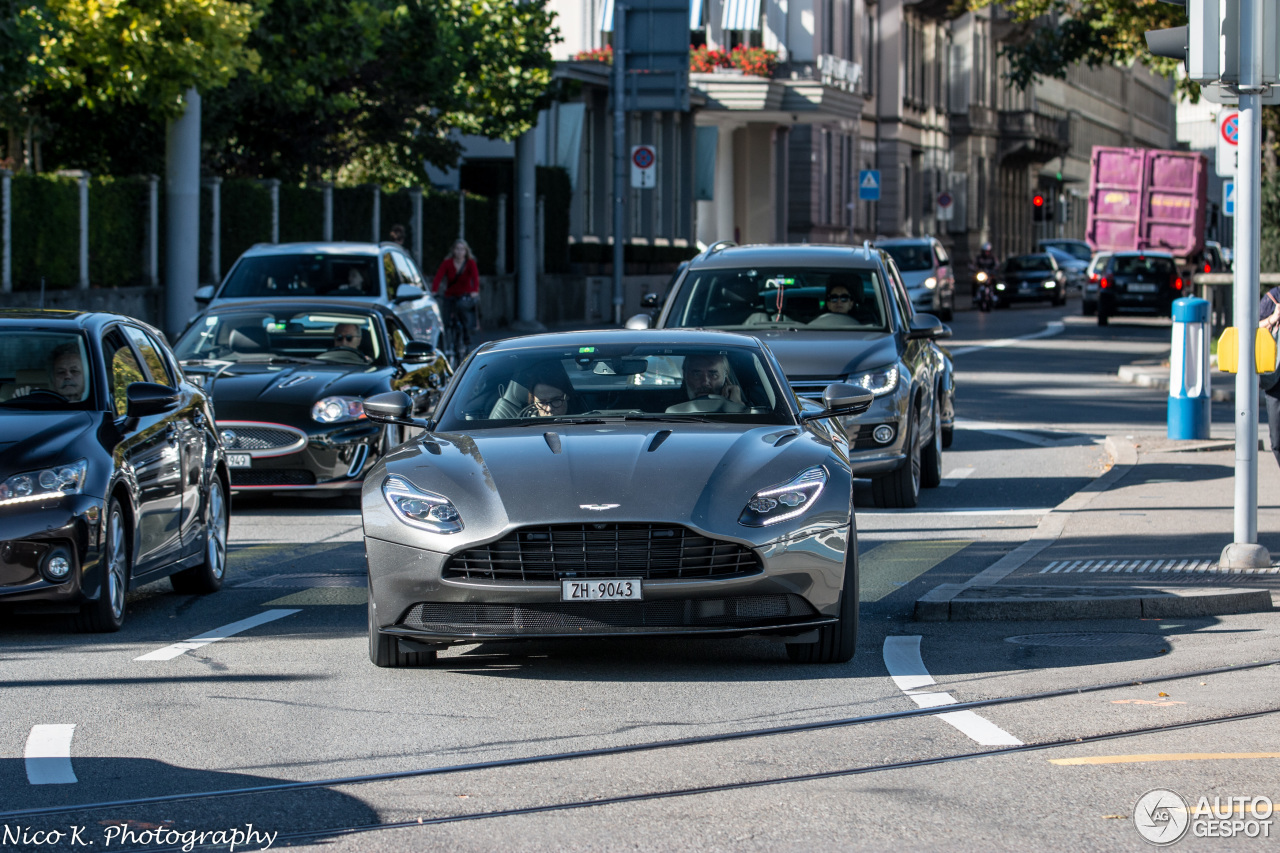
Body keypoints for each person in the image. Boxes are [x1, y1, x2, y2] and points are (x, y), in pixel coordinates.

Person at [431, 239, 481, 356]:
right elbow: (438, 277)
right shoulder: (447, 263)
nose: (459, 252)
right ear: (453, 250)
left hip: (464, 296)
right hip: (450, 295)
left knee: (462, 310)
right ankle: (448, 342)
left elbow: (475, 278)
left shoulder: (470, 263)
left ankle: (465, 334)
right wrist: (434, 290)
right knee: (446, 320)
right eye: (457, 249)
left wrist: (474, 291)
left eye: (462, 249)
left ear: (466, 251)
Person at [15, 342, 86, 401]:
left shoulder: (96, 407)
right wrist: (23, 401)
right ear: (53, 379)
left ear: (87, 377)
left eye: (74, 371)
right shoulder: (42, 404)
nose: (67, 376)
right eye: (61, 372)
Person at [1259, 286, 1280, 467]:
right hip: (1275, 380)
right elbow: (1251, 328)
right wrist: (1273, 319)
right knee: (1277, 441)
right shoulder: (1273, 298)